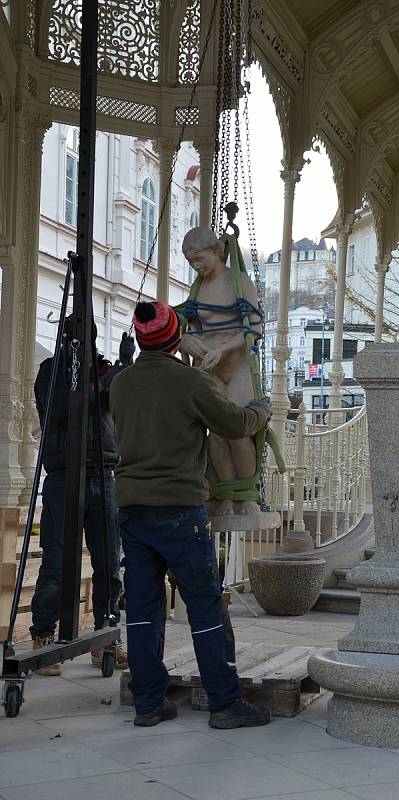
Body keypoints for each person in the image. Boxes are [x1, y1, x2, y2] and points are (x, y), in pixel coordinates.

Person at [110, 300, 272, 729]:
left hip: (132, 509)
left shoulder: (121, 384)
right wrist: (261, 411)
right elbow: (233, 423)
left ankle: (148, 703)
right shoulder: (190, 381)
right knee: (204, 606)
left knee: (144, 608)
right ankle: (224, 702)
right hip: (179, 510)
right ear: (176, 339)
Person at [30, 317, 127, 675]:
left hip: (102, 473)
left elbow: (116, 403)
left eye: (89, 339)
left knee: (107, 564)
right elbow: (59, 409)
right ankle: (43, 633)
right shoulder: (49, 371)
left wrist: (123, 369)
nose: (84, 344)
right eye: (78, 339)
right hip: (63, 477)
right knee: (55, 563)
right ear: (66, 339)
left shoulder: (100, 370)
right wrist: (91, 379)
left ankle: (106, 635)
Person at [180, 227, 263, 518]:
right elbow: (191, 327)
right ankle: (226, 494)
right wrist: (188, 340)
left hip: (237, 367)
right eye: (191, 262)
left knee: (237, 430)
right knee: (215, 434)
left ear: (216, 251)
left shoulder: (239, 282)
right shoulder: (197, 288)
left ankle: (246, 495)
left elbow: (255, 327)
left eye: (200, 259)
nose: (196, 266)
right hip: (209, 369)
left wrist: (223, 349)